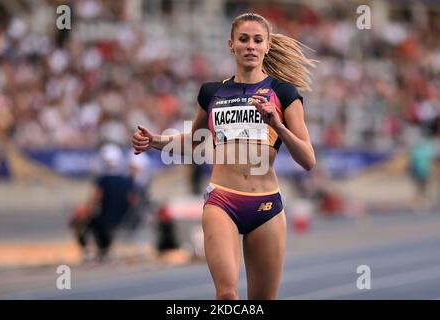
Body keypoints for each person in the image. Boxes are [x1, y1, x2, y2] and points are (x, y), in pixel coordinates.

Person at [132, 13, 316, 299]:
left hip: (266, 205)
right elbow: (194, 141)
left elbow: (308, 160)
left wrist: (277, 124)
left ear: (267, 46)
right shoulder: (212, 92)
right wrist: (154, 140)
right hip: (222, 201)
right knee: (227, 295)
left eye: (257, 40)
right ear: (231, 45)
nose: (250, 46)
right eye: (243, 39)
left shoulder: (283, 92)